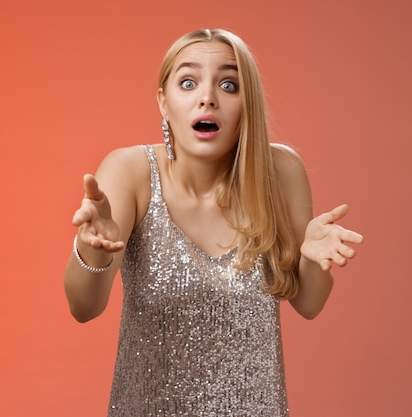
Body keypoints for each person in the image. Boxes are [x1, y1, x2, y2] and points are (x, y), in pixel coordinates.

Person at [64, 28, 363, 417]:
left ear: (247, 103)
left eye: (228, 84)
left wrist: (312, 260)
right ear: (164, 102)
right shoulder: (129, 172)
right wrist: (92, 247)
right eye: (188, 82)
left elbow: (308, 303)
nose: (208, 97)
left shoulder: (281, 171)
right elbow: (83, 307)